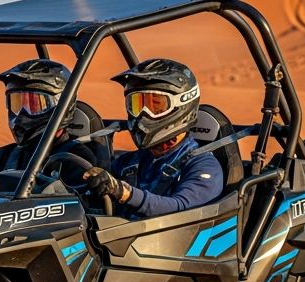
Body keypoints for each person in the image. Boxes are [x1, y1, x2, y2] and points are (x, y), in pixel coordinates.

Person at [83, 59, 223, 219]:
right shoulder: (128, 162)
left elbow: (180, 208)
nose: (143, 115)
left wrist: (125, 193)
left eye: (155, 106)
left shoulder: (204, 166)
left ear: (182, 105)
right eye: (136, 105)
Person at [0, 59, 107, 184]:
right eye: (17, 104)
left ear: (62, 105)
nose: (22, 114)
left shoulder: (77, 160)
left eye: (35, 105)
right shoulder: (2, 157)